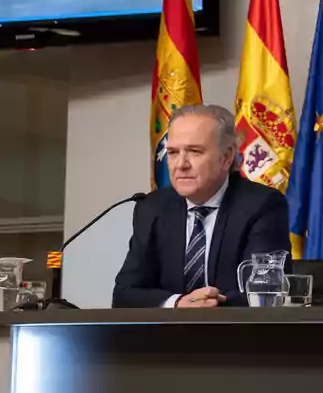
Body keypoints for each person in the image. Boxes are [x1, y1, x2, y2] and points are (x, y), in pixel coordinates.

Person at [113, 104, 290, 308]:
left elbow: (264, 291)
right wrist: (177, 303)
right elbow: (124, 294)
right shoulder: (153, 208)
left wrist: (206, 305)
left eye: (194, 151)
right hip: (166, 337)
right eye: (172, 152)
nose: (180, 164)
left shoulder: (261, 205)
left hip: (237, 336)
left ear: (226, 157)